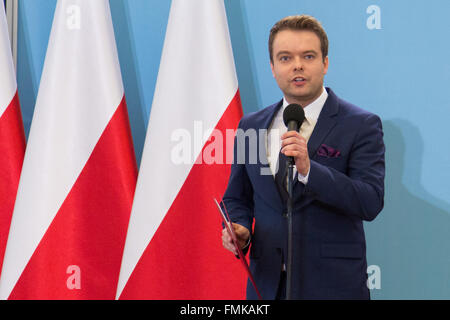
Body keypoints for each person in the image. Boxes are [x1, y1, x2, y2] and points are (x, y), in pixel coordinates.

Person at [221, 15, 385, 300]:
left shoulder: (361, 124)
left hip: (333, 287)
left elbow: (369, 201)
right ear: (272, 67)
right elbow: (237, 197)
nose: (297, 65)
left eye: (308, 56)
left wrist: (311, 171)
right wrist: (241, 229)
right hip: (267, 286)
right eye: (285, 58)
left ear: (325, 63)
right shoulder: (251, 125)